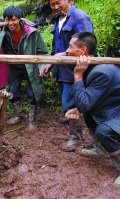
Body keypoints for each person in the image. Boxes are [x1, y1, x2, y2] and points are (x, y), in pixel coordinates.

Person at [0, 5, 48, 129]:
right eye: (7, 20)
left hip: (30, 66)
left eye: (13, 20)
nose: (10, 23)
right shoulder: (2, 31)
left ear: (19, 19)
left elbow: (42, 51)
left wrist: (43, 66)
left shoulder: (32, 32)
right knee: (13, 92)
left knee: (32, 92)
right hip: (15, 67)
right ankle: (19, 115)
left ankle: (32, 120)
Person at [64, 32, 120, 184]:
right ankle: (100, 148)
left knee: (104, 131)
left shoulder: (100, 72)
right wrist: (77, 108)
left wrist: (77, 76)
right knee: (86, 110)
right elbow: (89, 99)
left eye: (70, 47)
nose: (67, 51)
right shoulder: (93, 67)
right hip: (113, 108)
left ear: (83, 50)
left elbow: (85, 102)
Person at [39, 0, 95, 150]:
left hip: (75, 69)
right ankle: (74, 126)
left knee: (72, 101)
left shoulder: (80, 18)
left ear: (70, 0)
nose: (55, 7)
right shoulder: (57, 19)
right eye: (52, 4)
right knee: (67, 101)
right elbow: (56, 45)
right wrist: (51, 62)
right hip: (62, 69)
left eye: (58, 3)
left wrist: (60, 56)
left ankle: (76, 136)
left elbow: (86, 46)